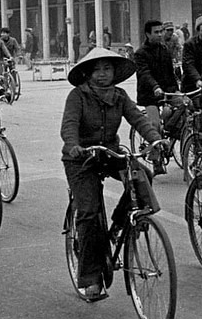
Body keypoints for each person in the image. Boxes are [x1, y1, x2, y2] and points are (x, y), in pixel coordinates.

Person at [60, 47, 164, 302]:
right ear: (88, 73)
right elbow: (69, 125)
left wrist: (156, 140)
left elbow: (138, 119)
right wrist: (74, 145)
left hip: (109, 153)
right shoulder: (77, 96)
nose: (103, 74)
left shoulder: (120, 96)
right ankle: (91, 278)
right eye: (97, 69)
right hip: (81, 158)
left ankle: (120, 224)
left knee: (142, 177)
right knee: (89, 212)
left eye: (107, 69)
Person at [133, 20, 181, 136]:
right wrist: (155, 87)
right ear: (148, 34)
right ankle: (155, 150)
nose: (160, 34)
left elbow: (170, 73)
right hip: (149, 94)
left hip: (166, 92)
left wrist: (176, 89)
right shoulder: (140, 53)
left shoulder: (164, 50)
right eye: (156, 32)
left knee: (186, 104)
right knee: (155, 125)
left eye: (161, 31)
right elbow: (144, 73)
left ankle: (171, 129)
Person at [181, 16, 202, 92]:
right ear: (198, 31)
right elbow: (188, 64)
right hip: (192, 84)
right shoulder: (190, 44)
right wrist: (197, 79)